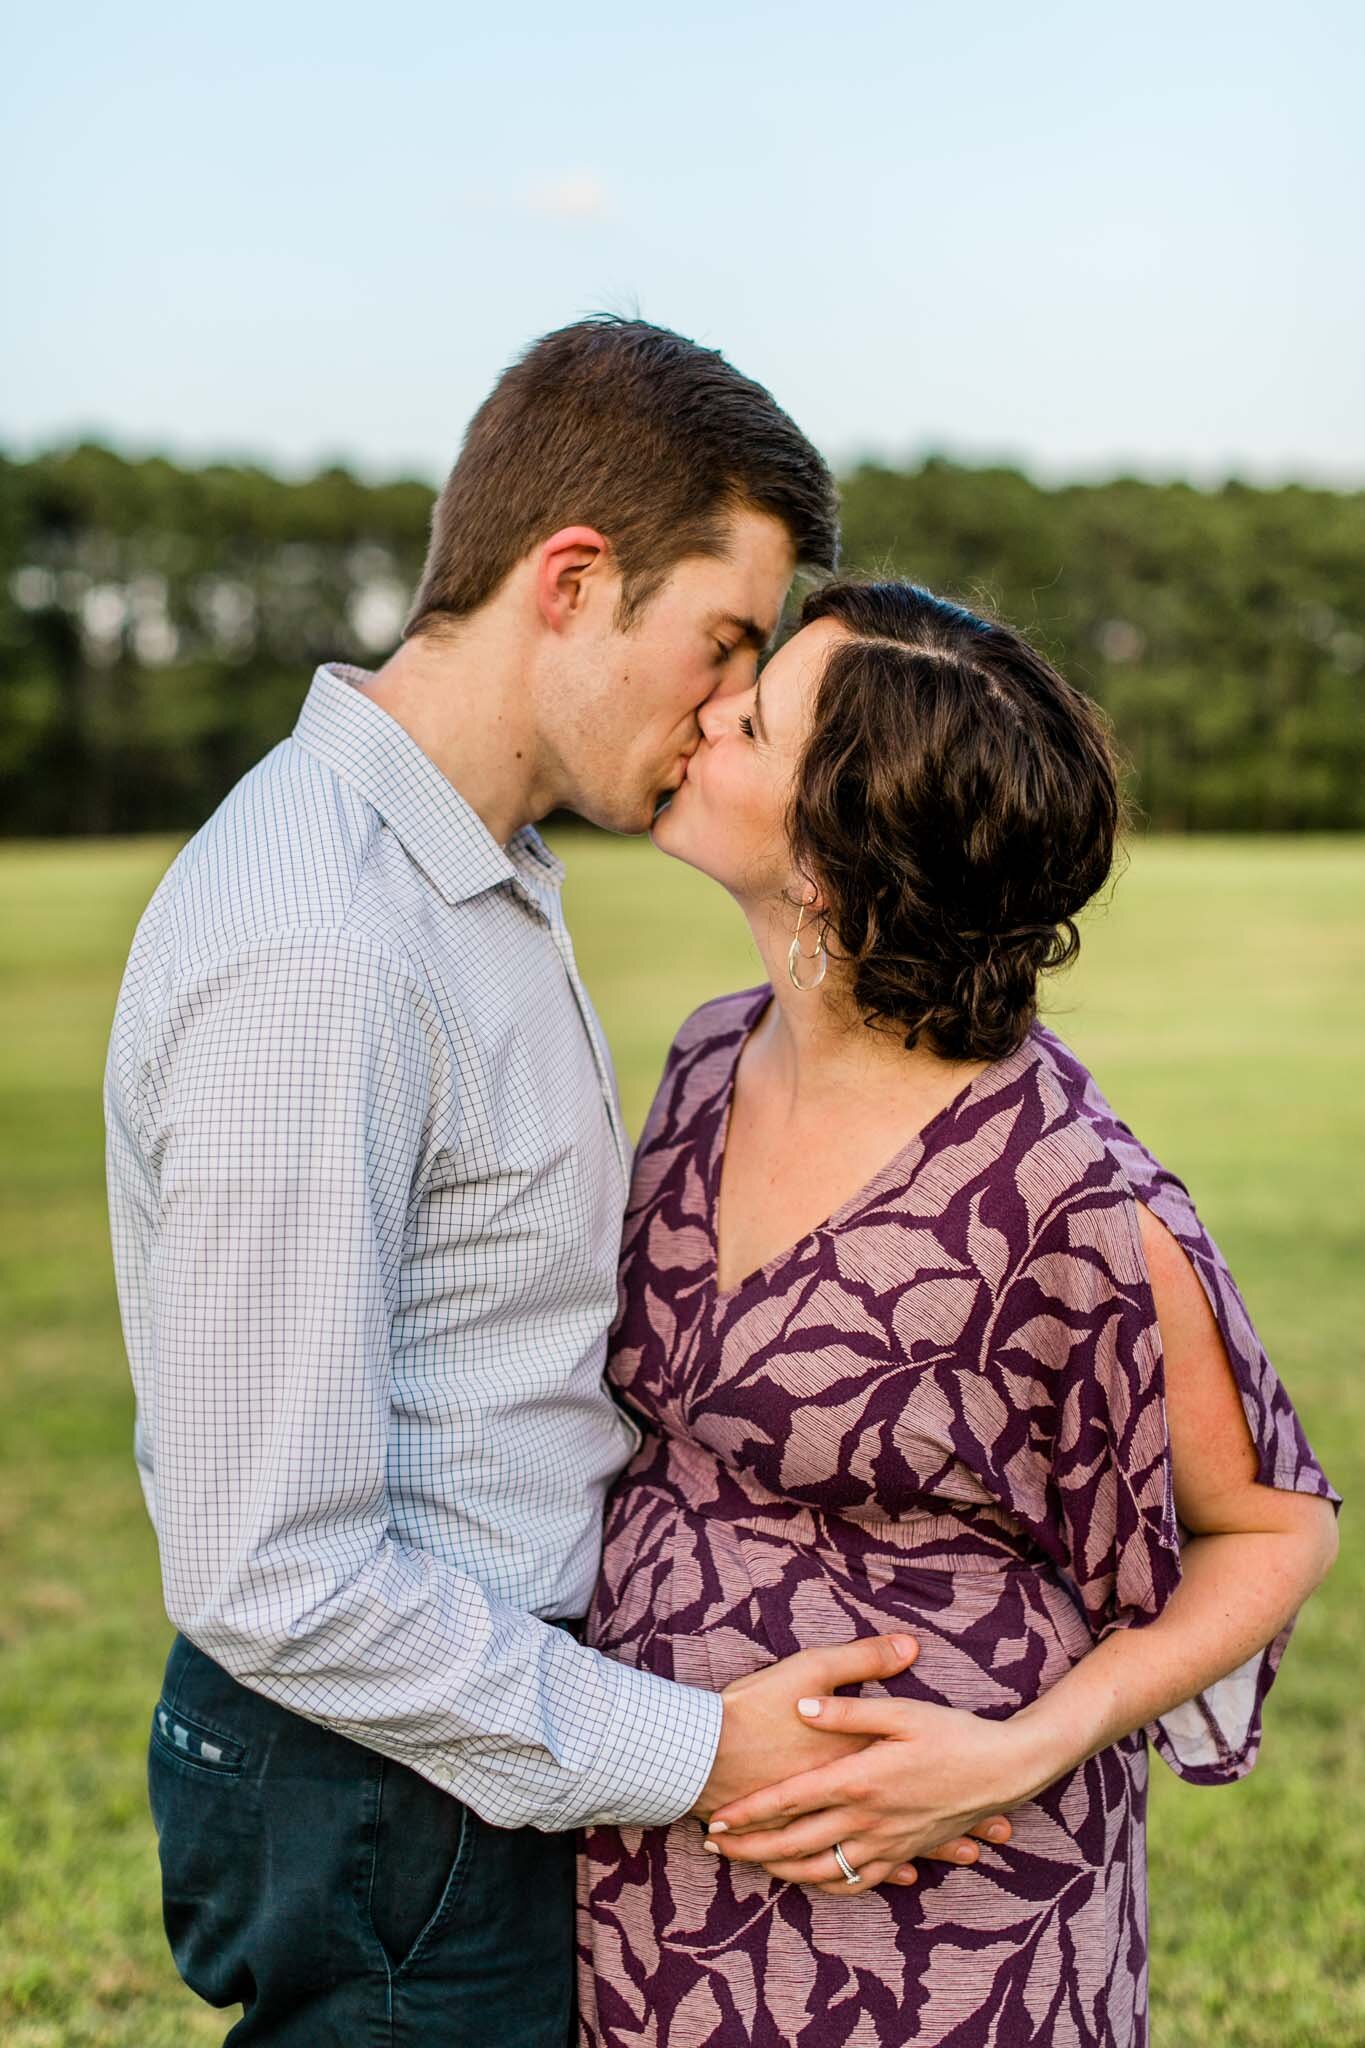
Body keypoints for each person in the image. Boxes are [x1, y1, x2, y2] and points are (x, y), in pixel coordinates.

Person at [104, 320, 1009, 2047]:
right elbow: (271, 1570)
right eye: (723, 639)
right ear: (574, 580)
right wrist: (691, 1748)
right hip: (390, 1786)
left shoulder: (476, 870)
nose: (732, 706)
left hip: (456, 1750)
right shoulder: (323, 946)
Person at [575, 577, 1343, 2047]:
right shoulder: (704, 1059)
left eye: (748, 723)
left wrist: (1020, 1751)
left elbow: (1274, 1523)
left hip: (944, 1930)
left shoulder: (1063, 1192)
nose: (701, 719)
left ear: (834, 863)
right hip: (660, 1883)